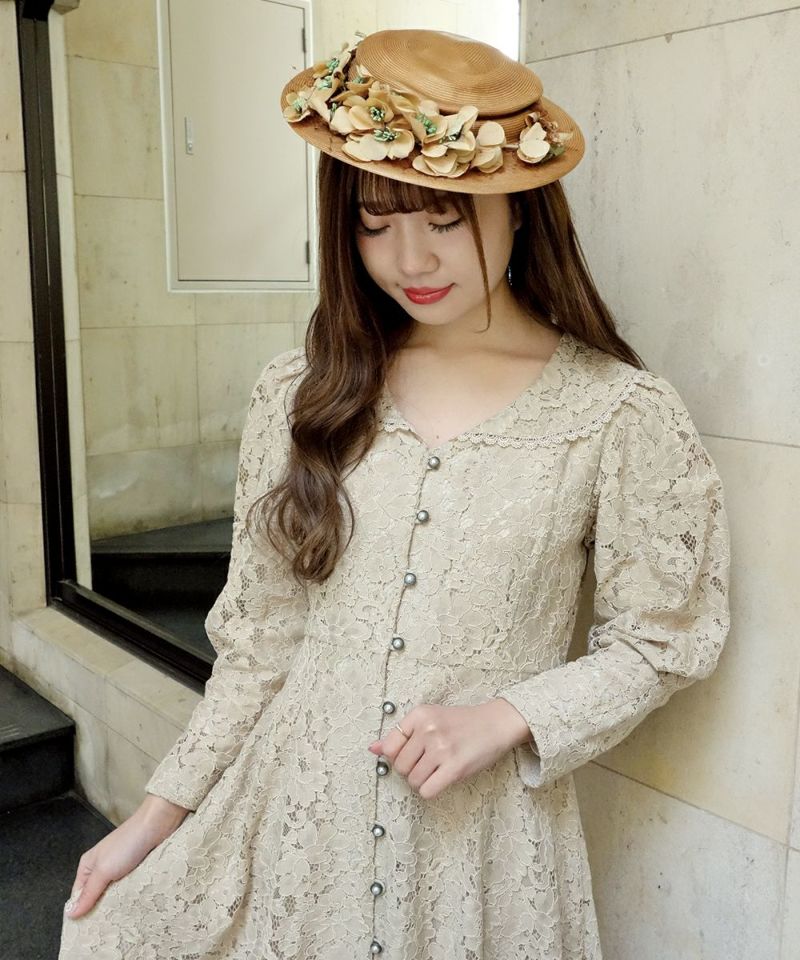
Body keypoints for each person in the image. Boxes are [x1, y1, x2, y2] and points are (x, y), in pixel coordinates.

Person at [59, 28, 731, 960]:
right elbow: (260, 645)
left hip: (481, 845)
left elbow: (665, 636)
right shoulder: (301, 392)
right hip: (300, 820)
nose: (408, 260)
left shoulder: (617, 411)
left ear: (520, 207)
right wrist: (152, 821)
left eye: (443, 220)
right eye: (375, 224)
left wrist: (508, 717)